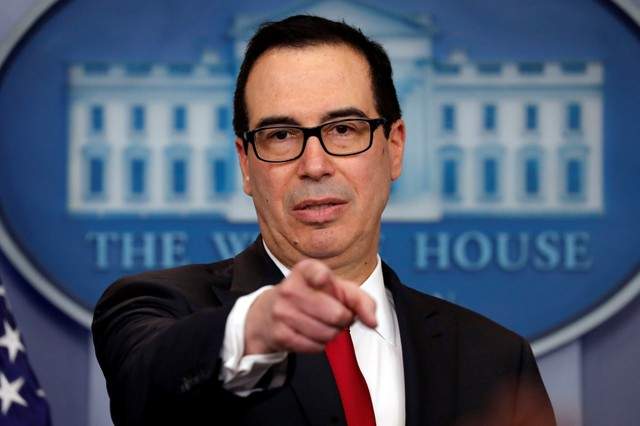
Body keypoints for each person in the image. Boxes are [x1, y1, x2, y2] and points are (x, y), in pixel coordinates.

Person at [92, 15, 556, 426]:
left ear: (394, 146)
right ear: (245, 164)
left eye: (343, 129)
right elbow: (144, 385)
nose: (314, 165)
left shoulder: (495, 359)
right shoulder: (155, 305)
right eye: (280, 135)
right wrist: (252, 329)